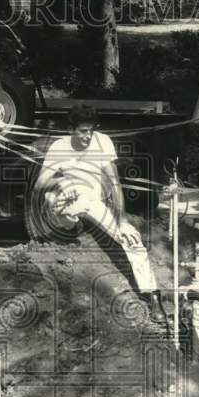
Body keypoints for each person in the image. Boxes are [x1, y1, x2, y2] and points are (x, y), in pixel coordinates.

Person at [35, 104, 165, 321]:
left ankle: (152, 296)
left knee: (131, 239)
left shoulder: (102, 141)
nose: (88, 136)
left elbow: (113, 182)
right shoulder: (58, 147)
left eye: (91, 130)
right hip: (65, 198)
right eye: (82, 131)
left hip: (94, 201)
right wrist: (61, 181)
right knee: (58, 199)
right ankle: (71, 223)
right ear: (71, 130)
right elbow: (39, 184)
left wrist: (122, 221)